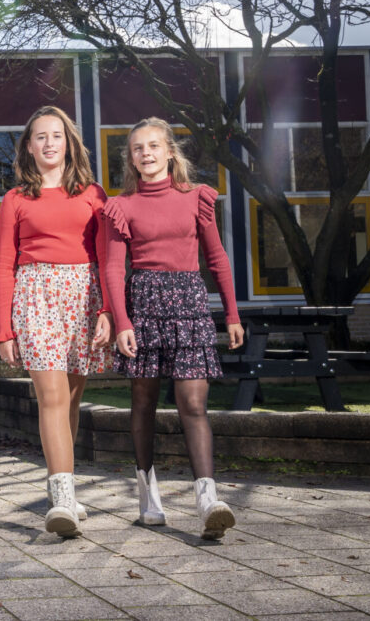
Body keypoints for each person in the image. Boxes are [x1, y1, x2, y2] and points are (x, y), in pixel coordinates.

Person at [100, 117, 244, 539]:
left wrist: (232, 314)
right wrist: (122, 322)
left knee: (193, 402)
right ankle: (148, 495)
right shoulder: (120, 206)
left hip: (189, 304)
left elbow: (216, 258)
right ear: (131, 158)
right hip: (142, 304)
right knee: (143, 402)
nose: (145, 153)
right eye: (137, 148)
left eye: (153, 146)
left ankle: (207, 498)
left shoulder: (196, 198)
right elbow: (112, 267)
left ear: (169, 152)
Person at [0, 105, 111, 538]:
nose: (48, 143)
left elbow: (107, 259)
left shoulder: (93, 194)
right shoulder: (16, 199)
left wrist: (108, 311)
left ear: (68, 143)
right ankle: (61, 498)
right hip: (35, 296)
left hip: (84, 296)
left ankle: (63, 485)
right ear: (28, 145)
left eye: (56, 136)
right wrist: (4, 328)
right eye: (39, 136)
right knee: (52, 398)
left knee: (72, 401)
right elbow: (4, 264)